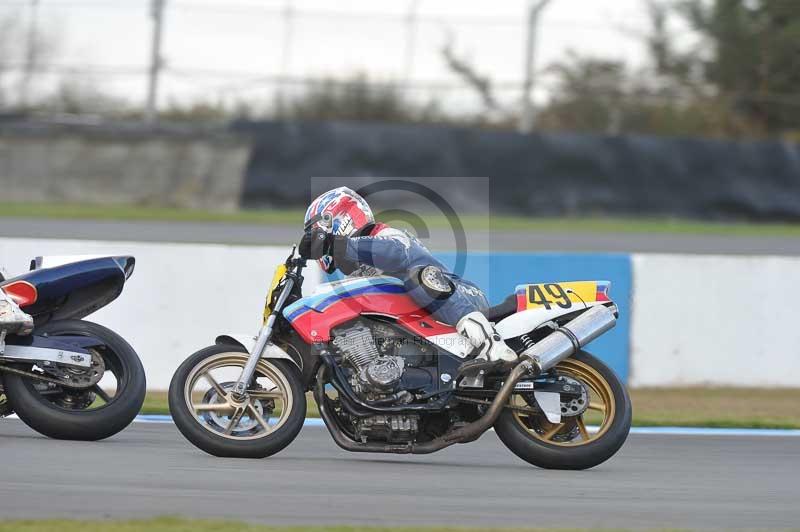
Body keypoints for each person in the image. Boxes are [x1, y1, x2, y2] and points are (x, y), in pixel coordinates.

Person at [298, 187, 517, 370]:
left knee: (419, 276)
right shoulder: (356, 275)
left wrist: (337, 245)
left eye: (320, 231)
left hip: (463, 297)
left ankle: (491, 345)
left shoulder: (386, 236)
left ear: (340, 218)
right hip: (424, 335)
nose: (319, 238)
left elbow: (397, 254)